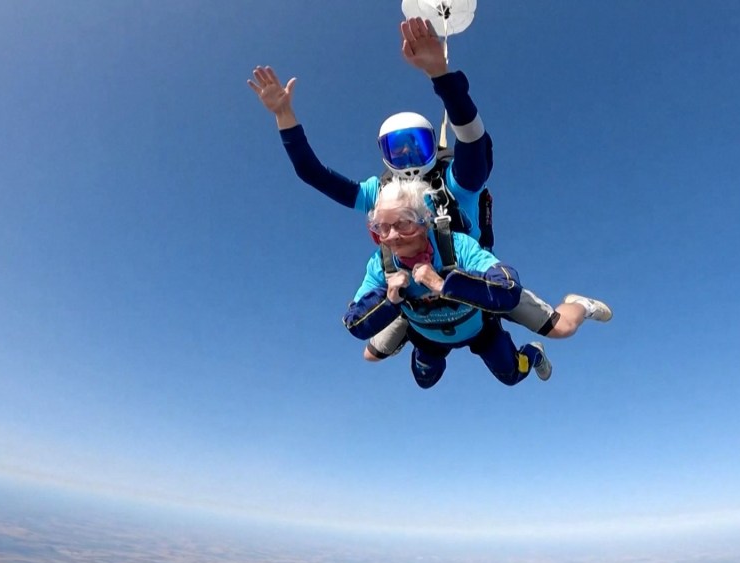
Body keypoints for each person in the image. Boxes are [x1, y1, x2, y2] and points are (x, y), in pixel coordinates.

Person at [249, 17, 611, 362]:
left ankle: (579, 304)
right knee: (371, 355)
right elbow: (313, 174)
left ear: (432, 147)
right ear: (384, 155)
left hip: (471, 282)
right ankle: (416, 328)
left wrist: (441, 74)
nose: (407, 157)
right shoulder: (379, 194)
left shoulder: (453, 182)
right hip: (413, 291)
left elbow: (472, 139)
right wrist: (284, 115)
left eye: (415, 146)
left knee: (560, 328)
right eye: (397, 149)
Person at [343, 179, 550, 388]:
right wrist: (389, 301)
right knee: (424, 380)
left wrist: (445, 285)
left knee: (512, 374)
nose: (393, 237)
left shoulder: (456, 245)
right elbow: (354, 323)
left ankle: (534, 353)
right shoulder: (381, 264)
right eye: (382, 228)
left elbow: (509, 288)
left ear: (425, 220)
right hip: (428, 335)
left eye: (404, 224)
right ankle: (405, 325)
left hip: (479, 329)